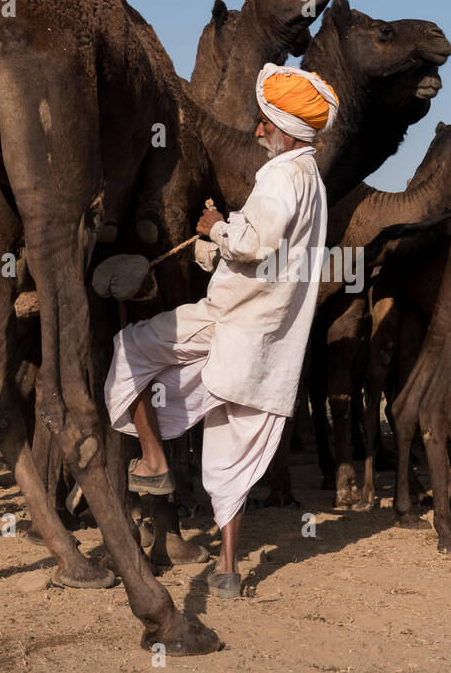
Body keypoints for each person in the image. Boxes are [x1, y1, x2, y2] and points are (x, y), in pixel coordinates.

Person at [104, 63, 334, 599]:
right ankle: (229, 571)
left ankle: (154, 459)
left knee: (128, 347)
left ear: (282, 128)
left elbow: (252, 246)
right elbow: (266, 259)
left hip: (228, 321)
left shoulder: (280, 176)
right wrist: (215, 244)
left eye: (263, 123)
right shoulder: (314, 184)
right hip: (268, 343)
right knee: (230, 451)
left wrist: (216, 228)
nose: (257, 131)